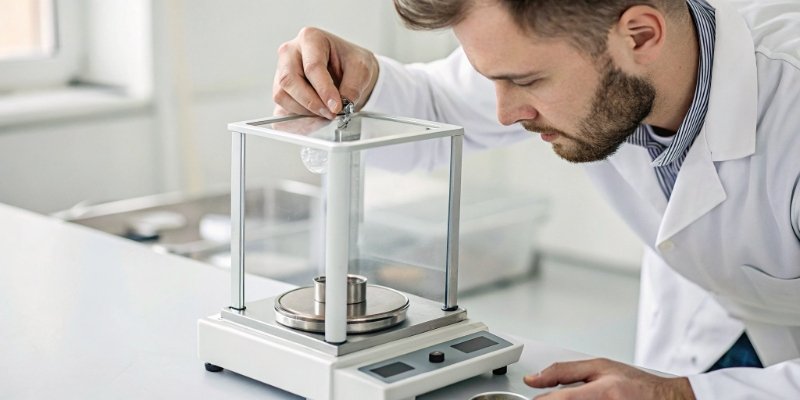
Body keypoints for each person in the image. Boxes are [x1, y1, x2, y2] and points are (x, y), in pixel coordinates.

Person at [272, 0, 800, 398]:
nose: (504, 113)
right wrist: (362, 83)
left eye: (526, 80)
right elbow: (438, 103)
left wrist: (679, 394)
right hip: (705, 322)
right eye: (493, 80)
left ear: (641, 35)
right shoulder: (595, 47)